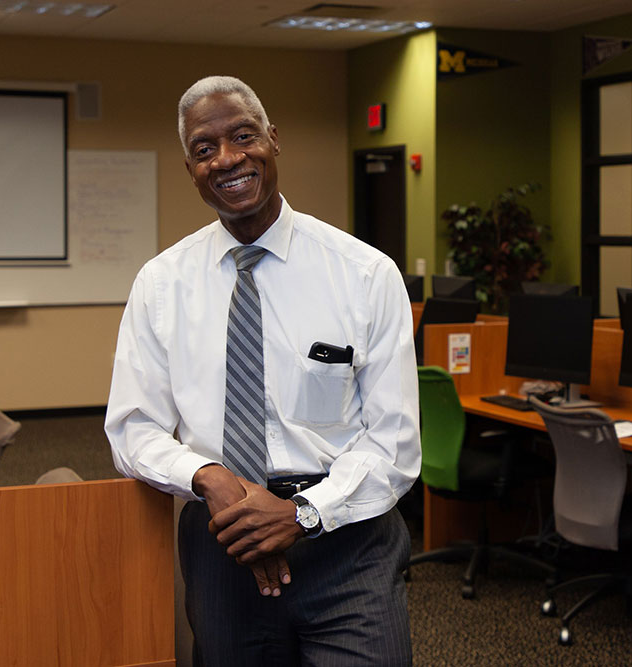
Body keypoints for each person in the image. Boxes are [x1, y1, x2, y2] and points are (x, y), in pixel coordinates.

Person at [105, 75, 421, 666]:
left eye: (242, 136)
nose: (227, 159)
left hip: (348, 543)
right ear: (190, 168)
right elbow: (132, 428)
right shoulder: (161, 284)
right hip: (222, 547)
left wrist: (302, 515)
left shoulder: (364, 274)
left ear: (272, 140)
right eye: (204, 149)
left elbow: (393, 442)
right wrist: (212, 479)